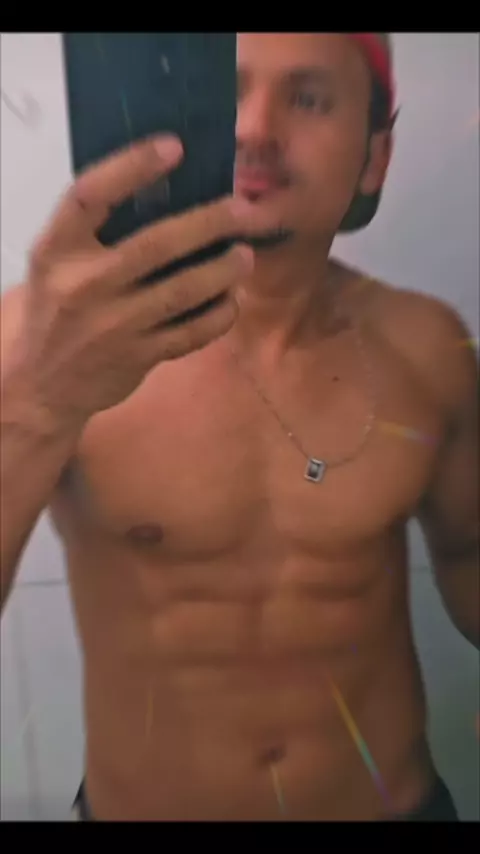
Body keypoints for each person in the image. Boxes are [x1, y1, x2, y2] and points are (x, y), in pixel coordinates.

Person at [1, 33, 478, 822]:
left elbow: (469, 563)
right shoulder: (47, 344)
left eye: (308, 98)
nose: (254, 129)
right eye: (225, 93)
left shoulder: (429, 348)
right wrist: (35, 407)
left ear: (375, 156)